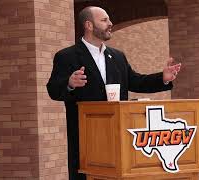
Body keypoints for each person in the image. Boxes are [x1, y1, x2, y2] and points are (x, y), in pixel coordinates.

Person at [46, 6, 181, 180]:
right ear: (88, 25)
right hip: (86, 140)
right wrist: (69, 83)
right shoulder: (66, 56)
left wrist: (163, 78)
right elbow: (52, 90)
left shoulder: (117, 56)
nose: (110, 24)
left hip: (118, 135)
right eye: (104, 20)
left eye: (109, 19)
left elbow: (135, 81)